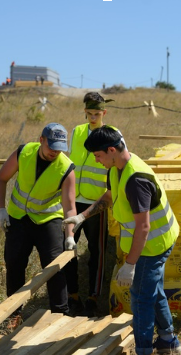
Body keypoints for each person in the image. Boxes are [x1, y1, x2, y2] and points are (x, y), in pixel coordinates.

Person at [64, 126, 181, 355]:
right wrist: (83, 216)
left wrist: (130, 264)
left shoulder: (136, 179)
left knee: (140, 298)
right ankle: (168, 340)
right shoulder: (117, 168)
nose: (96, 160)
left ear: (112, 150)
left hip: (152, 245)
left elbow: (143, 226)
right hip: (153, 241)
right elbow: (108, 196)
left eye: (97, 155)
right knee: (154, 290)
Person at [0, 123, 77, 329]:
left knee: (54, 265)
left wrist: (69, 236)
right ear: (41, 140)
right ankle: (14, 313)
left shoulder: (66, 168)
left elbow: (69, 207)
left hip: (47, 220)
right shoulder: (23, 153)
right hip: (18, 217)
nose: (55, 152)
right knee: (14, 263)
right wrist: (1, 209)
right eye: (52, 147)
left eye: (59, 148)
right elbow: (1, 178)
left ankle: (60, 313)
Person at [64, 92, 120, 317]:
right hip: (74, 202)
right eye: (89, 114)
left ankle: (93, 297)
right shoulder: (77, 131)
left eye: (97, 114)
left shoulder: (113, 134)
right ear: (85, 113)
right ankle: (72, 295)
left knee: (97, 252)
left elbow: (117, 165)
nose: (93, 118)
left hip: (98, 203)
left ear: (104, 113)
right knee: (68, 249)